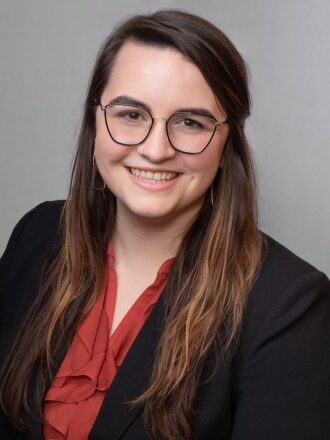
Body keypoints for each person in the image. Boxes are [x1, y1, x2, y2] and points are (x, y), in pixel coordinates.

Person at [0, 9, 329, 440]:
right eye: (131, 115)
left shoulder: (290, 305)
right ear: (94, 120)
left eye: (190, 123)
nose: (155, 151)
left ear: (227, 139)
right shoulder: (38, 234)